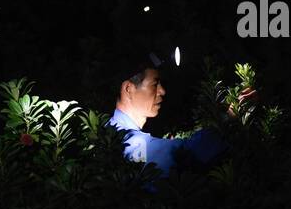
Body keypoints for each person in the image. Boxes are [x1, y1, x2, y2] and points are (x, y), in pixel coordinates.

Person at [107, 60, 256, 179]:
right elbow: (184, 153)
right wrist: (229, 116)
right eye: (154, 84)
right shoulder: (127, 140)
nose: (162, 91)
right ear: (128, 89)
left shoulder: (108, 130)